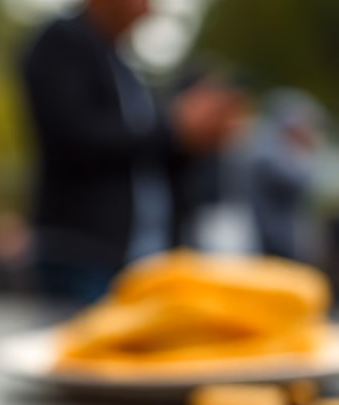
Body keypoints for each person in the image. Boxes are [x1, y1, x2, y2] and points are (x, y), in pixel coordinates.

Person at [19, 0, 242, 303]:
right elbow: (76, 137)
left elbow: (142, 155)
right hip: (82, 251)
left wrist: (196, 140)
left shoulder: (120, 62)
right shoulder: (62, 43)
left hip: (134, 254)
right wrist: (174, 128)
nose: (150, 7)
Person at [245, 90, 326, 262]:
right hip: (271, 242)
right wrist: (308, 151)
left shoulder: (275, 150)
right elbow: (302, 181)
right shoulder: (267, 153)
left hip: (281, 240)